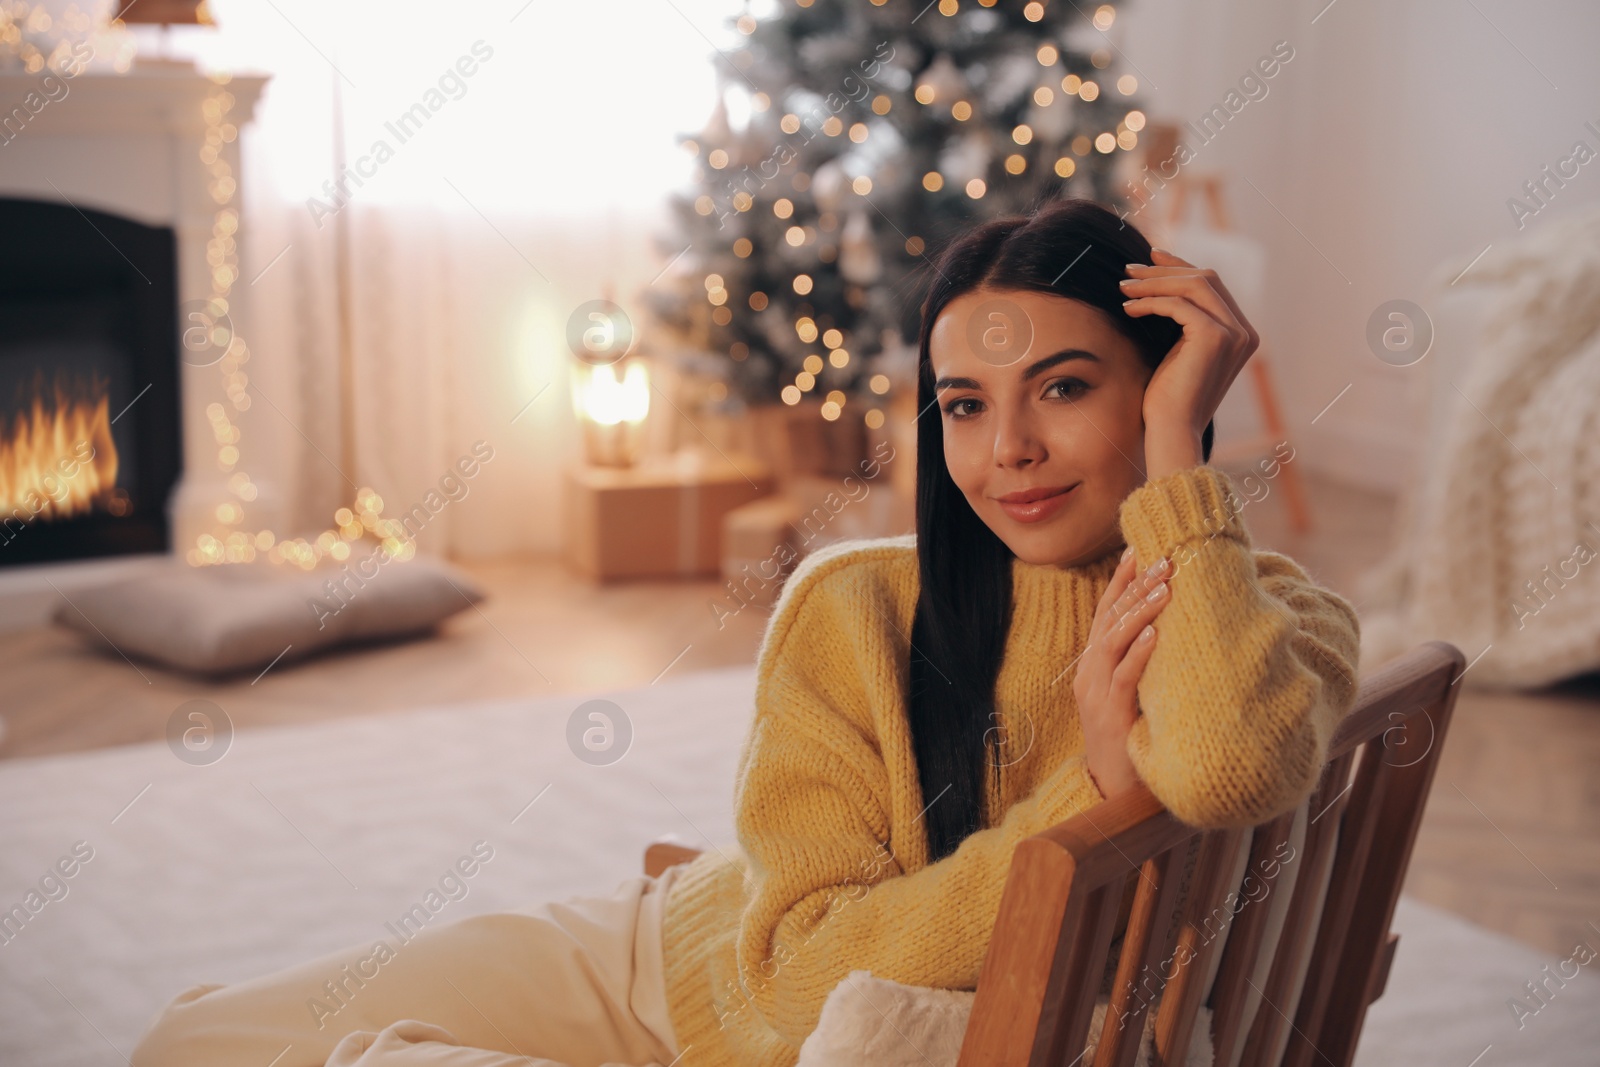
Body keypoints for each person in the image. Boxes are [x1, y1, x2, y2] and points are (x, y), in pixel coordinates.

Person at [131, 197, 1361, 1066]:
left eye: (1067, 386)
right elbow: (793, 972)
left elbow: (1224, 762)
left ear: (1159, 388)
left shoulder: (1259, 614)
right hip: (685, 966)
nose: (1008, 453)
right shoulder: (857, 603)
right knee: (193, 1042)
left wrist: (1177, 469)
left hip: (807, 1034)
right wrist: (1081, 796)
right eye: (965, 406)